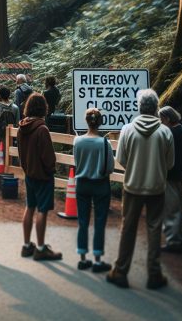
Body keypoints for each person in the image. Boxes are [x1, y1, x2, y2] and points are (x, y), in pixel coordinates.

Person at [107, 89, 175, 290]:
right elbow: (170, 163)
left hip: (133, 186)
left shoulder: (127, 129)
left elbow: (121, 159)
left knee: (128, 226)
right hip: (156, 187)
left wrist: (135, 168)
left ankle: (120, 271)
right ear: (156, 108)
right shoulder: (165, 132)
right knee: (154, 228)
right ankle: (154, 274)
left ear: (138, 107)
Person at [18, 93, 62, 261]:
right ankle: (41, 248)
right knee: (42, 210)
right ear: (43, 108)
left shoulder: (23, 127)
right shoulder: (42, 129)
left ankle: (27, 245)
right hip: (43, 176)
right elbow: (48, 157)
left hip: (29, 174)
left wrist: (26, 168)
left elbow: (21, 153)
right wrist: (52, 169)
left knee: (29, 207)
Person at [72, 108, 115, 273]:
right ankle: (97, 260)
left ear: (86, 121)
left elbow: (77, 162)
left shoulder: (78, 141)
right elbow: (110, 167)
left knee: (82, 221)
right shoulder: (105, 143)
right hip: (100, 184)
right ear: (100, 122)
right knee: (99, 222)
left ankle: (83, 258)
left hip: (82, 183)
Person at [159, 105, 182, 254]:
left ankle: (173, 241)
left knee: (171, 208)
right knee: (180, 206)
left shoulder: (170, 133)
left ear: (167, 118)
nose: (160, 122)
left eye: (161, 119)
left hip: (172, 175)